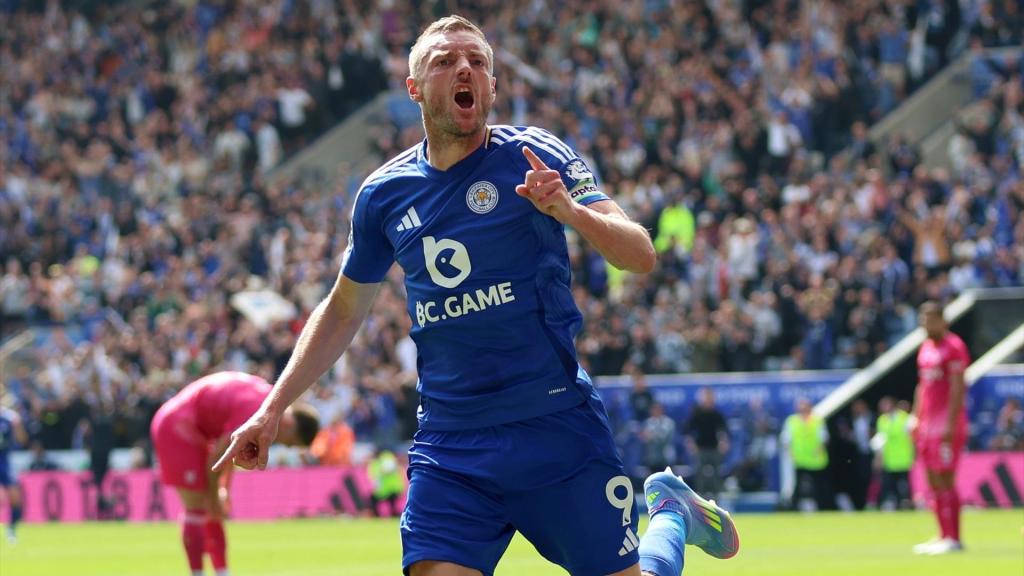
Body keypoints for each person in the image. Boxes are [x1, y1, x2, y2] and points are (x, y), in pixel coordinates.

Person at [214, 15, 738, 576]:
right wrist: (273, 409)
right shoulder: (383, 195)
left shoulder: (536, 155)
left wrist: (570, 212)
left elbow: (639, 254)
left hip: (553, 423)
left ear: (491, 87)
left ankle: (668, 514)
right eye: (445, 61)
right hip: (452, 440)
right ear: (414, 89)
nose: (465, 68)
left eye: (478, 62)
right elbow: (343, 310)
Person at [152, 371, 319, 576]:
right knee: (198, 506)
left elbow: (231, 450)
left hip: (194, 427)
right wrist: (215, 498)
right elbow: (217, 461)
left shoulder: (266, 402)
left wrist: (224, 490)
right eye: (289, 442)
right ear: (289, 424)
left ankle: (222, 572)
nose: (283, 445)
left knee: (212, 508)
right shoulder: (257, 410)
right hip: (177, 426)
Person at [911, 302, 970, 555]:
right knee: (932, 478)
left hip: (946, 425)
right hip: (926, 426)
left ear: (943, 321)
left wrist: (950, 423)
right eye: (923, 319)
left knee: (946, 476)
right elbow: (922, 387)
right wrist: (915, 417)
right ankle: (942, 534)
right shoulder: (924, 349)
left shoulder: (954, 347)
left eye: (931, 319)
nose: (926, 324)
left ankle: (954, 538)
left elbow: (958, 388)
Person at [782, 398, 833, 511]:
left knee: (820, 487)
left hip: (816, 460)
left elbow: (824, 438)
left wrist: (820, 449)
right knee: (797, 487)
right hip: (799, 460)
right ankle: (794, 509)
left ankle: (823, 508)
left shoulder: (817, 421)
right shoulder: (792, 421)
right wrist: (790, 454)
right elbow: (786, 440)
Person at [685, 388, 729, 499]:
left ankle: (716, 498)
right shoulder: (696, 414)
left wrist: (723, 442)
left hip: (714, 448)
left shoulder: (717, 414)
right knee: (700, 474)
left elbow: (723, 430)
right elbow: (688, 431)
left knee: (716, 474)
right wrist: (691, 444)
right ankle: (700, 498)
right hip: (701, 448)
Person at [872, 397, 914, 510]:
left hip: (904, 457)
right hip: (889, 458)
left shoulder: (904, 418)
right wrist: (878, 457)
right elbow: (881, 440)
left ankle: (907, 504)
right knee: (889, 484)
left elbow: (912, 436)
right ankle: (894, 503)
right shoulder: (882, 420)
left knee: (905, 484)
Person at [0, 402, 27, 543]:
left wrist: (18, 426)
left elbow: (22, 440)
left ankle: (11, 529)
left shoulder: (9, 418)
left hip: (4, 462)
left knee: (16, 499)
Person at [368, 448, 405, 517]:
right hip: (392, 488)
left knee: (377, 501)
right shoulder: (388, 460)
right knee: (392, 504)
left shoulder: (385, 460)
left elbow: (386, 470)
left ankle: (377, 515)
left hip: (389, 489)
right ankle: (392, 515)